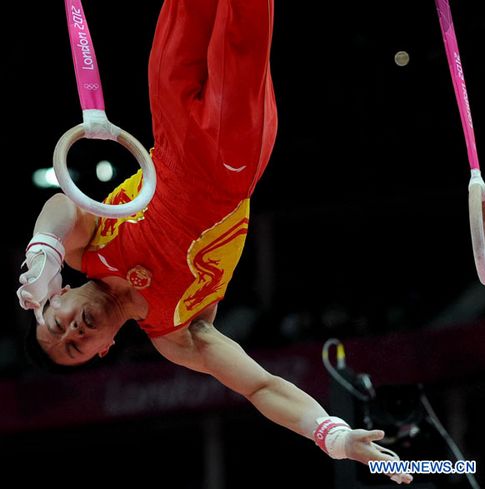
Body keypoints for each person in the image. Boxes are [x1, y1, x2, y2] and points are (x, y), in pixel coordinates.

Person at [17, 0, 411, 484]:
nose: (72, 330)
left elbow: (64, 205)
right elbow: (259, 385)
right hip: (229, 159)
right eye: (75, 346)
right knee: (243, 21)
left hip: (168, 120)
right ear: (103, 348)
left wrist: (43, 253)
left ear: (57, 295)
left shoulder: (85, 248)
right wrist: (331, 435)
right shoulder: (178, 333)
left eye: (56, 324)